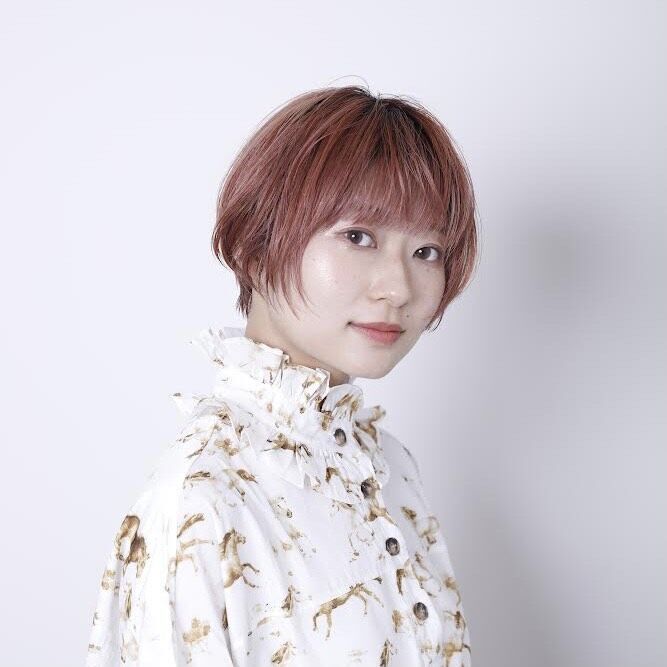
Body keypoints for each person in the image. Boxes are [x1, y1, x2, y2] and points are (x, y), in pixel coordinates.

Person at [85, 84, 478, 666]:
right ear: (258, 245)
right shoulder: (203, 496)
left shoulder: (390, 467)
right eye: (359, 237)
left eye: (427, 251)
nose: (399, 288)